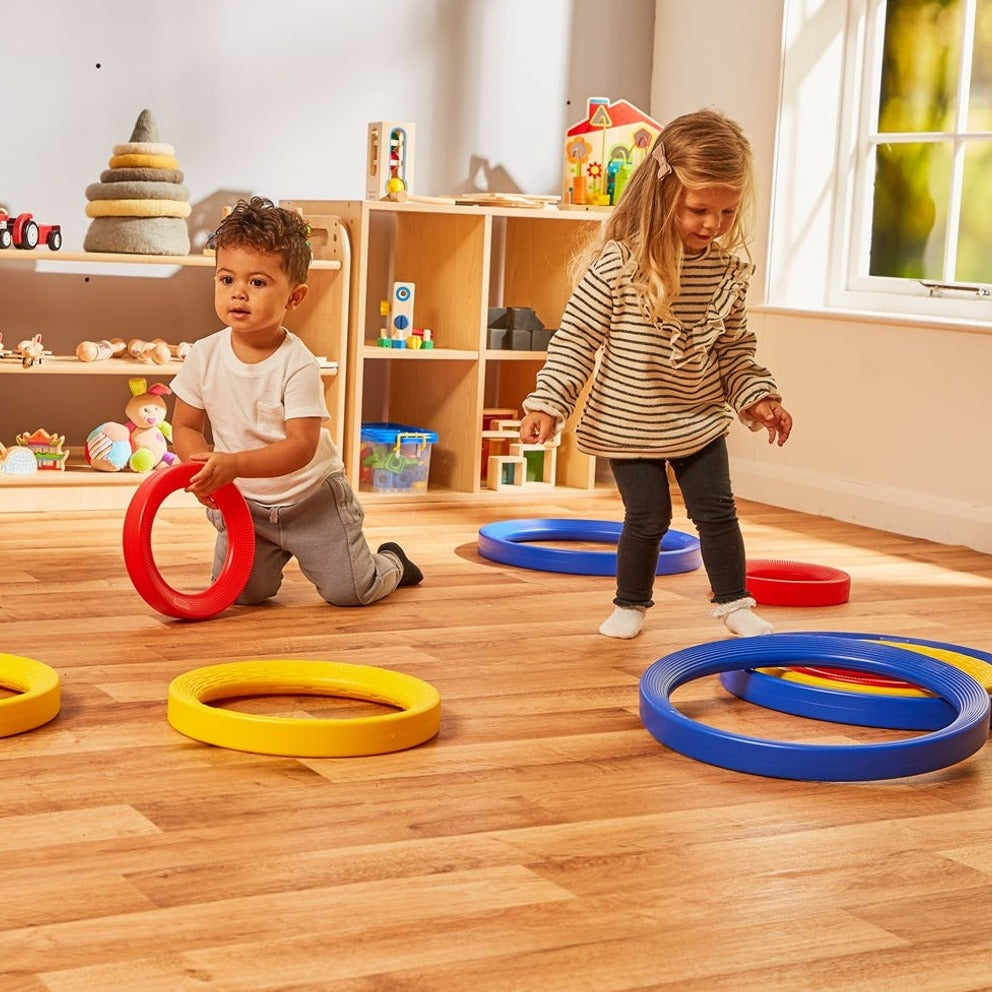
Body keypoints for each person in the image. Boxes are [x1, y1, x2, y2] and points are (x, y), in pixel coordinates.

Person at [519, 109, 792, 640]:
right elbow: (576, 340)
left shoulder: (727, 272)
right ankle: (631, 604)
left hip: (699, 416)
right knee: (649, 519)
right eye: (698, 209)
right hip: (630, 420)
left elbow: (734, 348)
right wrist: (547, 403)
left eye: (727, 212)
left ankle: (735, 604)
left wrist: (757, 397)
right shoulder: (617, 267)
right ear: (663, 193)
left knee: (717, 512)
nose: (712, 225)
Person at [170, 196, 422, 607]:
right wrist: (202, 468)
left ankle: (391, 561)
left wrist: (232, 464)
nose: (238, 293)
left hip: (312, 500)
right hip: (245, 506)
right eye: (226, 279)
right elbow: (184, 426)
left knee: (352, 592)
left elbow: (300, 447)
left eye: (257, 282)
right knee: (241, 595)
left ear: (295, 296)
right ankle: (265, 562)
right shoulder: (203, 355)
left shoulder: (299, 363)